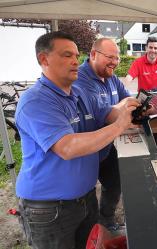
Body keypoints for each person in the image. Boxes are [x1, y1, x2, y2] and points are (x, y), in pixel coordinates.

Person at [15, 31, 139, 249]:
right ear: (44, 60)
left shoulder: (78, 94)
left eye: (75, 54)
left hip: (86, 198)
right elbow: (67, 147)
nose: (75, 61)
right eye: (66, 55)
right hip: (49, 209)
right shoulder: (36, 100)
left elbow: (106, 113)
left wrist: (135, 113)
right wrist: (120, 125)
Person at [75, 37, 130, 232]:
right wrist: (122, 109)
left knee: (114, 184)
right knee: (85, 193)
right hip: (84, 149)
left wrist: (125, 105)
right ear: (93, 54)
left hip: (106, 145)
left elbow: (129, 99)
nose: (114, 62)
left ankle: (106, 220)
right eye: (110, 57)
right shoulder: (80, 79)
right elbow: (106, 114)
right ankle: (90, 230)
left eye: (117, 58)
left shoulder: (112, 77)